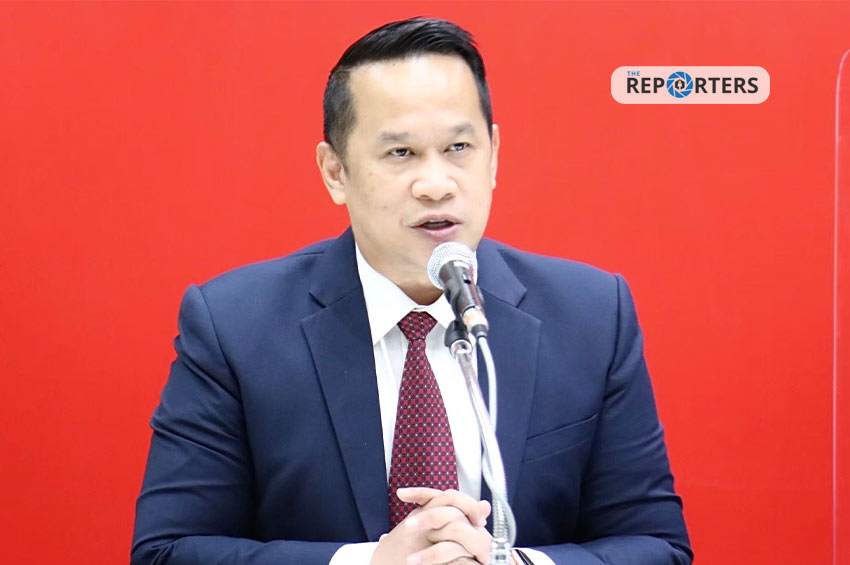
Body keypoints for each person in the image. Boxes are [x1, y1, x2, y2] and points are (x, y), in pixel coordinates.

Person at [132, 17, 692, 565]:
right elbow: (168, 551)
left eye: (459, 147)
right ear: (335, 171)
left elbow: (656, 546)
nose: (436, 185)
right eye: (400, 153)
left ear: (494, 155)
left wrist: (514, 564)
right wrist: (370, 564)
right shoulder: (234, 327)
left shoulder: (592, 316)